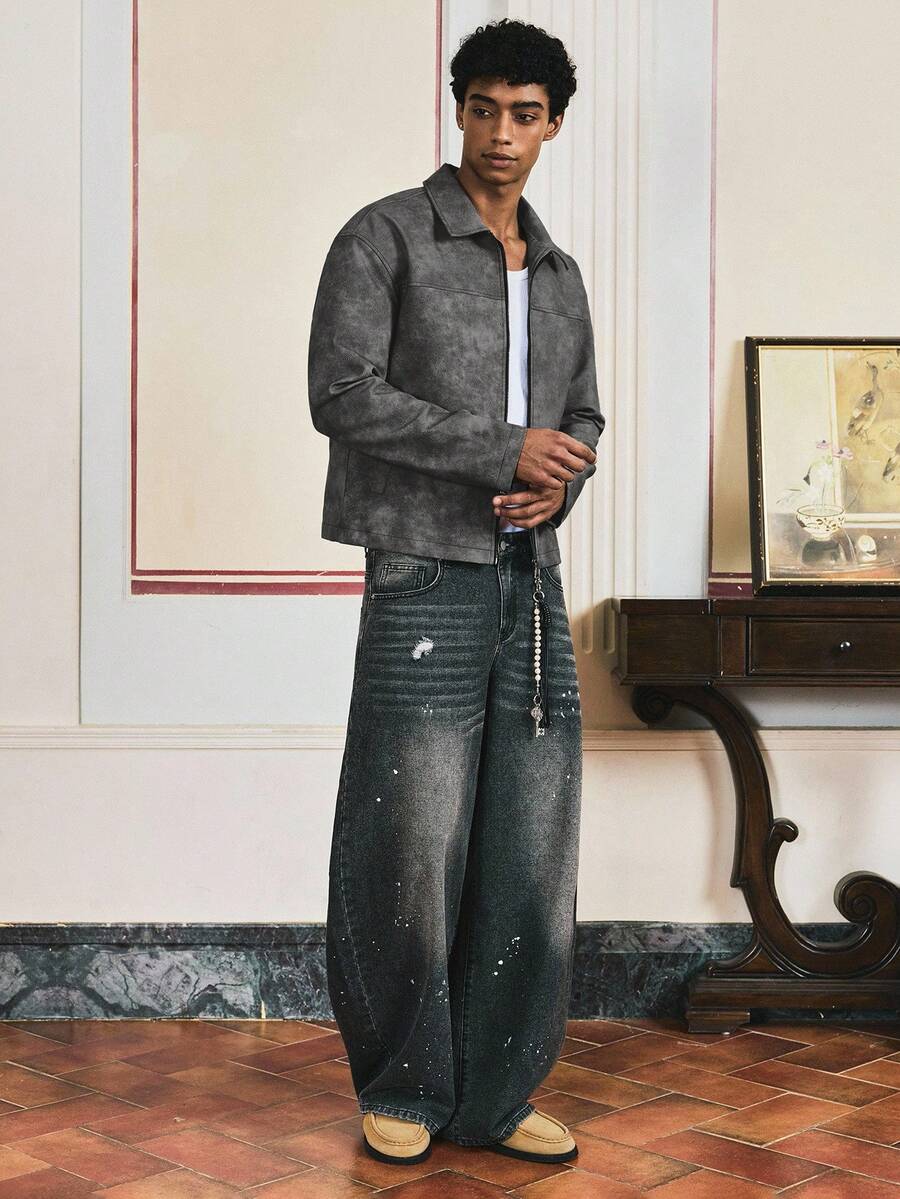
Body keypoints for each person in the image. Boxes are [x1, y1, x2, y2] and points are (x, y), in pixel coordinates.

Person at [307, 16, 605, 1167]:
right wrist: (501, 450)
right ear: (461, 109)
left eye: (525, 114)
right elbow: (341, 392)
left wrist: (557, 480)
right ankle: (405, 1082)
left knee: (530, 847)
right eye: (484, 108)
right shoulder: (385, 235)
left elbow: (581, 418)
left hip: (531, 576)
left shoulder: (562, 274)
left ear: (554, 125)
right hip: (423, 567)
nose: (501, 134)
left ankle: (495, 1093)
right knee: (407, 838)